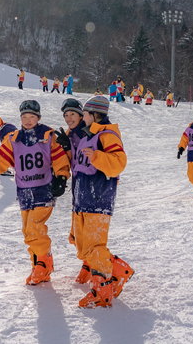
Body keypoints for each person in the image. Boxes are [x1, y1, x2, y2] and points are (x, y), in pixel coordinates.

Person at [0, 100, 71, 286]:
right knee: (27, 231)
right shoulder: (14, 139)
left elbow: (59, 159)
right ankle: (37, 264)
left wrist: (62, 177)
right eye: (24, 117)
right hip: (24, 192)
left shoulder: (47, 136)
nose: (28, 120)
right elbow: (0, 157)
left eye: (32, 117)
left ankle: (44, 264)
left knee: (34, 228)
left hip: (43, 189)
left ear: (38, 118)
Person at [69, 94, 132, 308]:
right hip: (82, 197)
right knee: (82, 247)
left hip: (98, 197)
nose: (82, 117)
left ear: (95, 115)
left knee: (94, 246)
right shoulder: (88, 135)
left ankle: (102, 290)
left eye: (85, 114)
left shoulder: (107, 134)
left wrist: (97, 157)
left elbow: (119, 163)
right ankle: (119, 269)